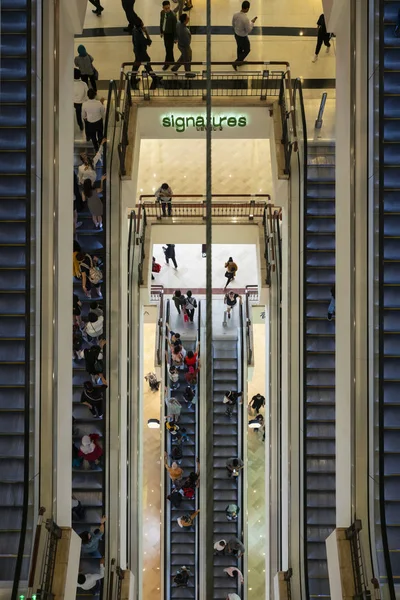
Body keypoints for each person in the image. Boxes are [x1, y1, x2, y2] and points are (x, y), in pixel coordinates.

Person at [132, 20, 163, 87]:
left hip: (137, 50)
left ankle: (133, 79)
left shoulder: (134, 30)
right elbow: (148, 42)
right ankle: (154, 78)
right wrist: (146, 32)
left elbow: (133, 41)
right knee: (146, 64)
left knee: (137, 65)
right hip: (141, 52)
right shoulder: (139, 34)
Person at [232, 1, 257, 70]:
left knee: (239, 47)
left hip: (236, 34)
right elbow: (248, 30)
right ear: (246, 8)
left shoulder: (235, 14)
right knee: (247, 50)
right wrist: (252, 22)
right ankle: (236, 62)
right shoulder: (245, 19)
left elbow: (233, 24)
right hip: (243, 37)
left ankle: (240, 62)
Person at [160, 1, 177, 70]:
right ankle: (172, 60)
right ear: (163, 8)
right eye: (165, 8)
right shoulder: (162, 13)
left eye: (168, 8)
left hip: (171, 34)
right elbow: (161, 22)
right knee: (168, 48)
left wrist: (175, 38)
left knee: (168, 49)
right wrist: (161, 31)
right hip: (165, 34)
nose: (167, 9)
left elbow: (175, 27)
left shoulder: (173, 15)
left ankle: (166, 63)